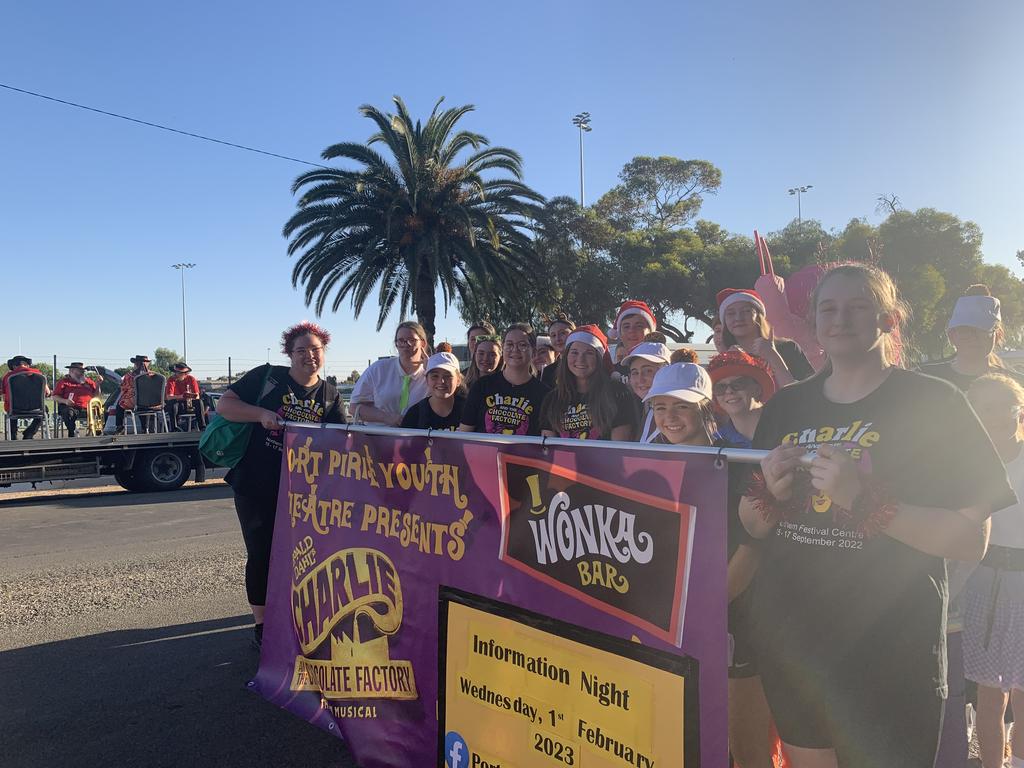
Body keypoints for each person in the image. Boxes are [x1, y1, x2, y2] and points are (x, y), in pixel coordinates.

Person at [739, 263, 1015, 767]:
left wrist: (865, 501)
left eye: (858, 306)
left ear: (888, 319)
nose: (840, 319)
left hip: (892, 650)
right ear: (814, 320)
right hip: (795, 642)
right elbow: (751, 523)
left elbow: (970, 540)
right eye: (828, 308)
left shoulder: (934, 402)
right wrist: (770, 497)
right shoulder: (786, 408)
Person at [216, 321, 345, 649]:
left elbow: (343, 442)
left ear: (324, 352)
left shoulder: (329, 394)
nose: (309, 356)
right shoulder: (267, 377)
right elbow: (225, 405)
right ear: (289, 354)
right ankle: (262, 625)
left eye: (315, 350)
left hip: (305, 491)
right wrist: (260, 413)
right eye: (301, 350)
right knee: (261, 553)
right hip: (256, 483)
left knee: (303, 556)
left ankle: (297, 615)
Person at [963, 374, 1024, 768]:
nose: (996, 416)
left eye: (1005, 406)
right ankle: (990, 764)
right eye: (984, 408)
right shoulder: (965, 463)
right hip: (981, 582)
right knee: (989, 694)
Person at [540, 325, 635, 441]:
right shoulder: (552, 400)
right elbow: (548, 449)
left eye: (589, 353)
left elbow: (618, 449)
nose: (581, 359)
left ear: (599, 358)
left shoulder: (618, 394)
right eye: (574, 352)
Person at [920, 285, 1024, 390]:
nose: (975, 338)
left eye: (983, 330)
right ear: (952, 335)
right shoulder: (923, 381)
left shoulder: (1019, 385)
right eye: (965, 330)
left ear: (998, 335)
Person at [459, 323, 550, 435]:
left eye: (522, 345)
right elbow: (463, 435)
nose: (515, 350)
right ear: (503, 349)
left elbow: (547, 443)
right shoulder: (481, 386)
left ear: (534, 351)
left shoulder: (544, 394)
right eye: (509, 344)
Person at [718, 288, 813, 386]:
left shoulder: (788, 348)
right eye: (730, 313)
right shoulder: (724, 360)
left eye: (746, 311)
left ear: (759, 316)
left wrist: (773, 357)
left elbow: (809, 394)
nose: (738, 318)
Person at [350, 321, 429, 425]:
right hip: (378, 437)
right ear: (396, 344)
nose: (406, 344)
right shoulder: (378, 369)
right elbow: (353, 407)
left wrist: (430, 369)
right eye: (401, 340)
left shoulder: (431, 375)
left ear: (422, 343)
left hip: (416, 438)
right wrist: (386, 417)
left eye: (411, 340)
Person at [707, 350, 775, 449]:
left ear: (757, 389)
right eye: (720, 387)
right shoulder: (715, 443)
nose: (729, 391)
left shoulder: (786, 426)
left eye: (738, 384)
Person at [400, 351, 466, 431]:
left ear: (458, 380)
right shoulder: (415, 414)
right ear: (427, 380)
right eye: (435, 376)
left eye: (447, 376)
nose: (441, 381)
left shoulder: (468, 410)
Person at [621, 341, 671, 442]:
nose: (640, 380)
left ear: (667, 371)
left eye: (648, 371)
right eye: (635, 372)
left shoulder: (675, 413)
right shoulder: (647, 407)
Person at [2, 356, 50, 439]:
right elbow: (47, 392)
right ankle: (30, 432)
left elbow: (4, 396)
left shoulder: (7, 377)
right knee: (45, 410)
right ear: (26, 365)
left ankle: (12, 436)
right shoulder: (39, 375)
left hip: (15, 409)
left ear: (13, 366)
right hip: (36, 408)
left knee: (10, 406)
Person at [52, 362, 100, 437]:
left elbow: (96, 396)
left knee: (105, 412)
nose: (82, 372)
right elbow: (54, 396)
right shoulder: (64, 382)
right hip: (70, 407)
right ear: (71, 371)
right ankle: (72, 434)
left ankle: (98, 434)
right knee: (68, 413)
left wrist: (98, 385)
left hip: (88, 408)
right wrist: (65, 401)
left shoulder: (89, 382)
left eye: (83, 371)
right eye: (80, 370)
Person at [611, 300, 657, 378]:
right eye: (626, 326)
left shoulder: (664, 369)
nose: (631, 331)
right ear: (620, 334)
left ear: (650, 332)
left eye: (639, 326)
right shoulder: (611, 372)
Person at [116, 355, 163, 433]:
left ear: (136, 364)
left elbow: (124, 389)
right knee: (145, 406)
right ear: (147, 364)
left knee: (120, 404)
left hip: (135, 403)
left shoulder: (129, 376)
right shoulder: (155, 376)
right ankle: (147, 429)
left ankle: (120, 426)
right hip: (155, 403)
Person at [165, 362, 205, 431]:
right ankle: (174, 427)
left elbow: (197, 396)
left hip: (189, 403)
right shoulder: (171, 380)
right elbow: (169, 397)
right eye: (179, 372)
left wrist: (191, 396)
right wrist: (182, 396)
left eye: (185, 372)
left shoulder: (191, 379)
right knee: (172, 404)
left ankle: (202, 426)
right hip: (178, 404)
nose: (183, 374)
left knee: (199, 402)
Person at [541, 316, 576, 388]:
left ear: (574, 334)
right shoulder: (548, 371)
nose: (557, 339)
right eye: (553, 335)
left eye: (562, 333)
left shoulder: (583, 364)